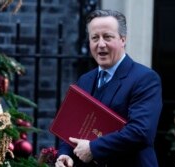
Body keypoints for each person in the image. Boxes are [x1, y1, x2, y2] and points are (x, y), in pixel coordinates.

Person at [55, 9, 162, 167]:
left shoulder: (145, 79)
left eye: (107, 37)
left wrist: (93, 148)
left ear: (123, 39)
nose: (101, 44)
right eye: (95, 38)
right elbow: (71, 127)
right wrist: (65, 154)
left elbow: (141, 132)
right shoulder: (85, 80)